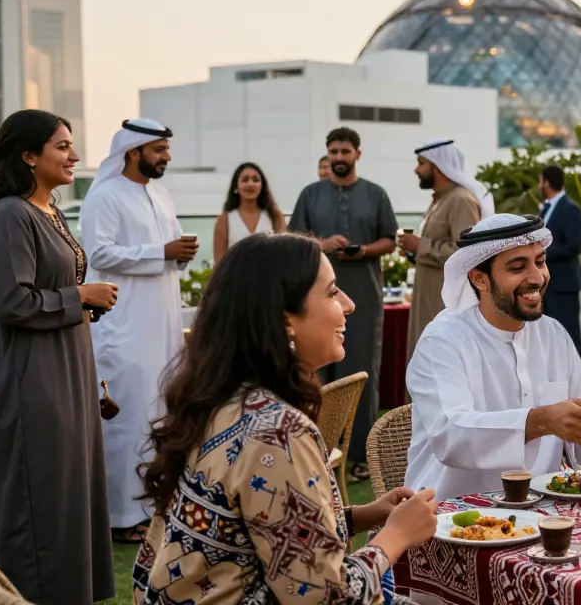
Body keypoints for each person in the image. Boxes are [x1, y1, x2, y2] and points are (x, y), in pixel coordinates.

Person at [133, 233, 438, 604]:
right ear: (285, 319)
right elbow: (327, 598)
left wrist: (362, 515)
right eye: (331, 292)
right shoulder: (278, 430)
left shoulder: (220, 400)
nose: (350, 304)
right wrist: (396, 536)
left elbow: (247, 531)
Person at [0, 110, 118, 604]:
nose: (74, 156)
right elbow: (11, 303)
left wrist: (81, 303)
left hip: (63, 377)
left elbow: (49, 293)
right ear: (29, 156)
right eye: (62, 146)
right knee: (38, 515)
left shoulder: (51, 210)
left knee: (66, 505)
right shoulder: (10, 215)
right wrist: (82, 297)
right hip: (28, 387)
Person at [405, 214, 581, 502]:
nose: (537, 277)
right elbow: (450, 435)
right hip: (449, 515)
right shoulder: (443, 340)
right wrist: (540, 421)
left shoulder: (553, 334)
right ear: (480, 279)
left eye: (540, 261)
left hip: (542, 509)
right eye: (518, 267)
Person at [81, 118, 196, 543]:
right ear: (134, 152)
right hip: (123, 327)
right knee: (125, 417)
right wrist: (162, 252)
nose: (166, 156)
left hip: (161, 325)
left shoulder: (160, 194)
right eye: (159, 149)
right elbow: (100, 253)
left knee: (159, 412)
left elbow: (170, 248)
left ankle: (151, 506)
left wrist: (179, 254)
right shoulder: (105, 196)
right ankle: (118, 515)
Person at [291, 127, 398, 482]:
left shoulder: (376, 193)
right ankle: (315, 451)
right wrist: (322, 245)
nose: (339, 157)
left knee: (362, 369)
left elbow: (389, 240)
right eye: (333, 152)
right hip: (315, 297)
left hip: (364, 296)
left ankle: (363, 457)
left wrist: (363, 250)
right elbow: (293, 241)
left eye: (345, 152)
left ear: (357, 155)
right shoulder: (310, 194)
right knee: (315, 371)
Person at [399, 138, 494, 362]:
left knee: (440, 360)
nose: (416, 169)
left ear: (438, 166)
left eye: (421, 163)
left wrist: (420, 245)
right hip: (428, 295)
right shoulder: (439, 201)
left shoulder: (461, 200)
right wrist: (413, 250)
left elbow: (468, 253)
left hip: (444, 302)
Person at [538, 165, 581, 353]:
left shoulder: (570, 208)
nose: (539, 185)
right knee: (547, 336)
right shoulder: (546, 209)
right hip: (546, 285)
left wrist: (542, 254)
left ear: (546, 182)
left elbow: (575, 245)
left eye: (540, 180)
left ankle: (576, 381)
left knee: (568, 335)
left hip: (564, 285)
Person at [213, 161, 286, 265]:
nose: (250, 184)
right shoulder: (224, 220)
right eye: (245, 180)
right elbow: (219, 262)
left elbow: (283, 255)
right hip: (235, 278)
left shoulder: (275, 216)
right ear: (236, 187)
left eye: (255, 180)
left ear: (262, 186)